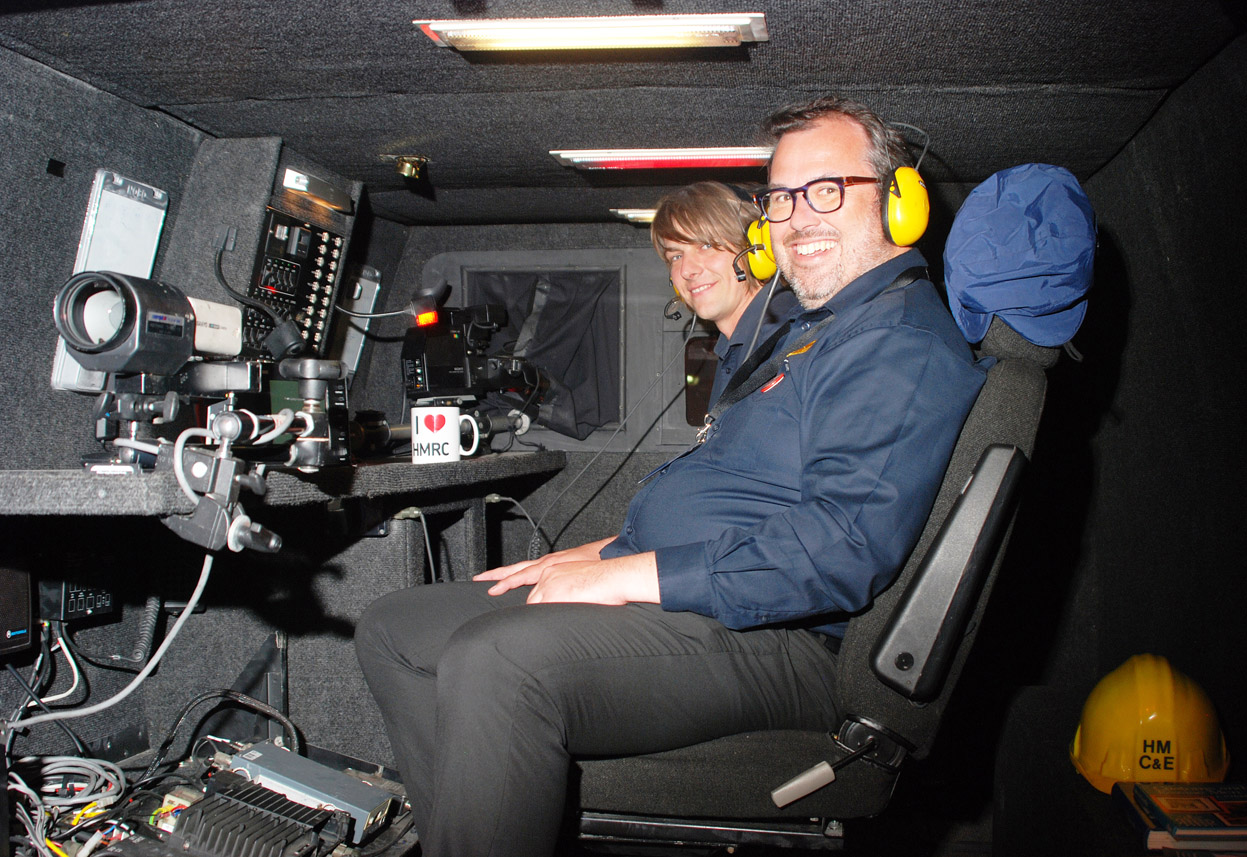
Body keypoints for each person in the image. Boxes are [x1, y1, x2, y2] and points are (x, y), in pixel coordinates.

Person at [355, 95, 987, 857]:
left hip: (788, 640)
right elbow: (745, 499)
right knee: (395, 629)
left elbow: (835, 554)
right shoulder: (828, 332)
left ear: (897, 201)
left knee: (498, 660)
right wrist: (600, 555)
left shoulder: (896, 342)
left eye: (827, 190)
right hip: (718, 600)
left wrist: (630, 574)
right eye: (781, 198)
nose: (797, 218)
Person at [651, 181, 797, 406]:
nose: (688, 270)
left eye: (706, 246)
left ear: (755, 248)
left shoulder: (790, 347)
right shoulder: (735, 349)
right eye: (676, 256)